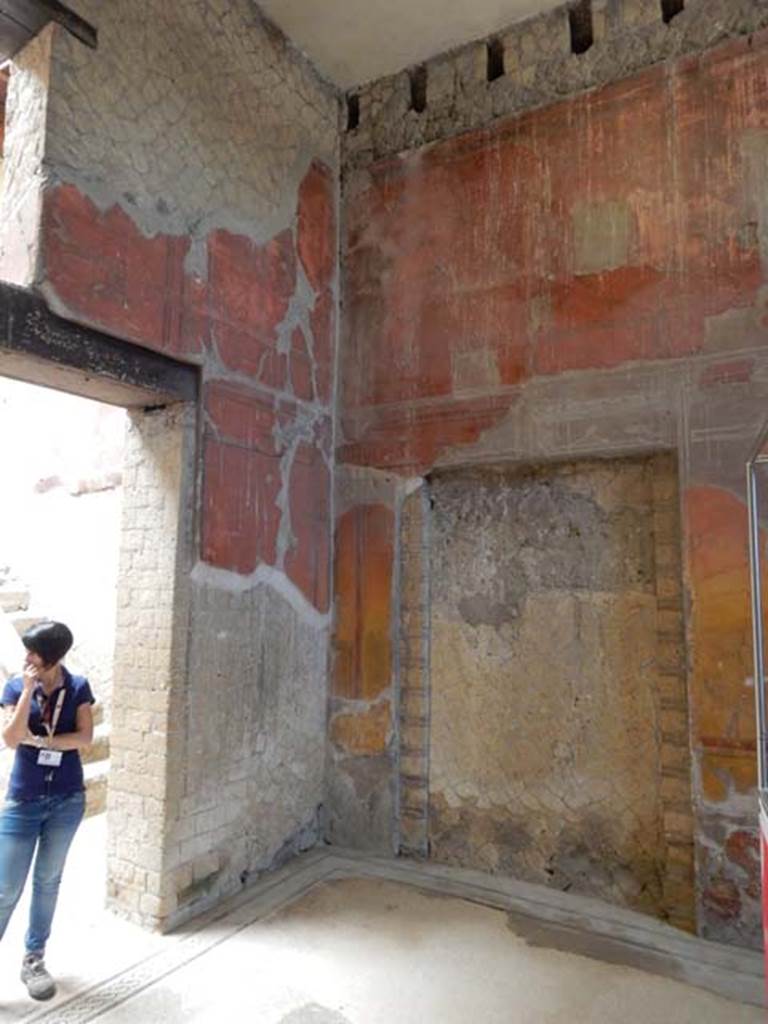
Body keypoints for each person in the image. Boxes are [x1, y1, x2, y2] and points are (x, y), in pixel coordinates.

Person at [0, 621, 94, 1001]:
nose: (28, 658)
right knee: (5, 886)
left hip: (68, 799)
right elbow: (10, 737)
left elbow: (85, 738)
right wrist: (26, 693)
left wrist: (40, 739)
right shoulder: (13, 686)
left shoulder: (78, 687)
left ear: (53, 654)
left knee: (48, 882)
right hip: (24, 800)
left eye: (35, 651)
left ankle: (34, 958)